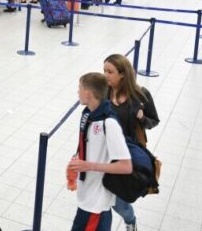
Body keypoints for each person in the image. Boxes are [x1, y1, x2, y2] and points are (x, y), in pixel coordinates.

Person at [66, 72, 132, 231]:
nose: (77, 92)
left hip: (96, 203)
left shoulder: (109, 123)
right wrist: (76, 162)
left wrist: (88, 165)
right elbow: (87, 146)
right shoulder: (87, 114)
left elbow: (126, 166)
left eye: (80, 88)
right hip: (87, 197)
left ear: (88, 93)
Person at [103, 54, 160, 231]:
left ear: (122, 74)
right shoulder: (103, 92)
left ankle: (131, 222)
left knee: (120, 204)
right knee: (102, 202)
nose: (105, 75)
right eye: (104, 70)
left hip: (127, 157)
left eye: (110, 72)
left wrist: (142, 118)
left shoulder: (140, 95)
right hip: (104, 153)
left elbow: (153, 121)